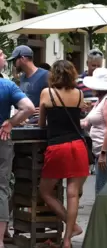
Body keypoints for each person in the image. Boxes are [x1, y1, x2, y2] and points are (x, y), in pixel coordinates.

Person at [38, 60, 89, 248]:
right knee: (73, 193)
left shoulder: (47, 93)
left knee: (45, 191)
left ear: (53, 75)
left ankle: (73, 225)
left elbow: (41, 124)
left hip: (58, 147)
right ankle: (68, 239)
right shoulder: (79, 94)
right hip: (78, 145)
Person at [0, 49, 35, 248]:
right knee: (1, 188)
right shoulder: (7, 85)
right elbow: (29, 108)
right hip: (1, 139)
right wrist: (11, 123)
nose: (5, 57)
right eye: (2, 54)